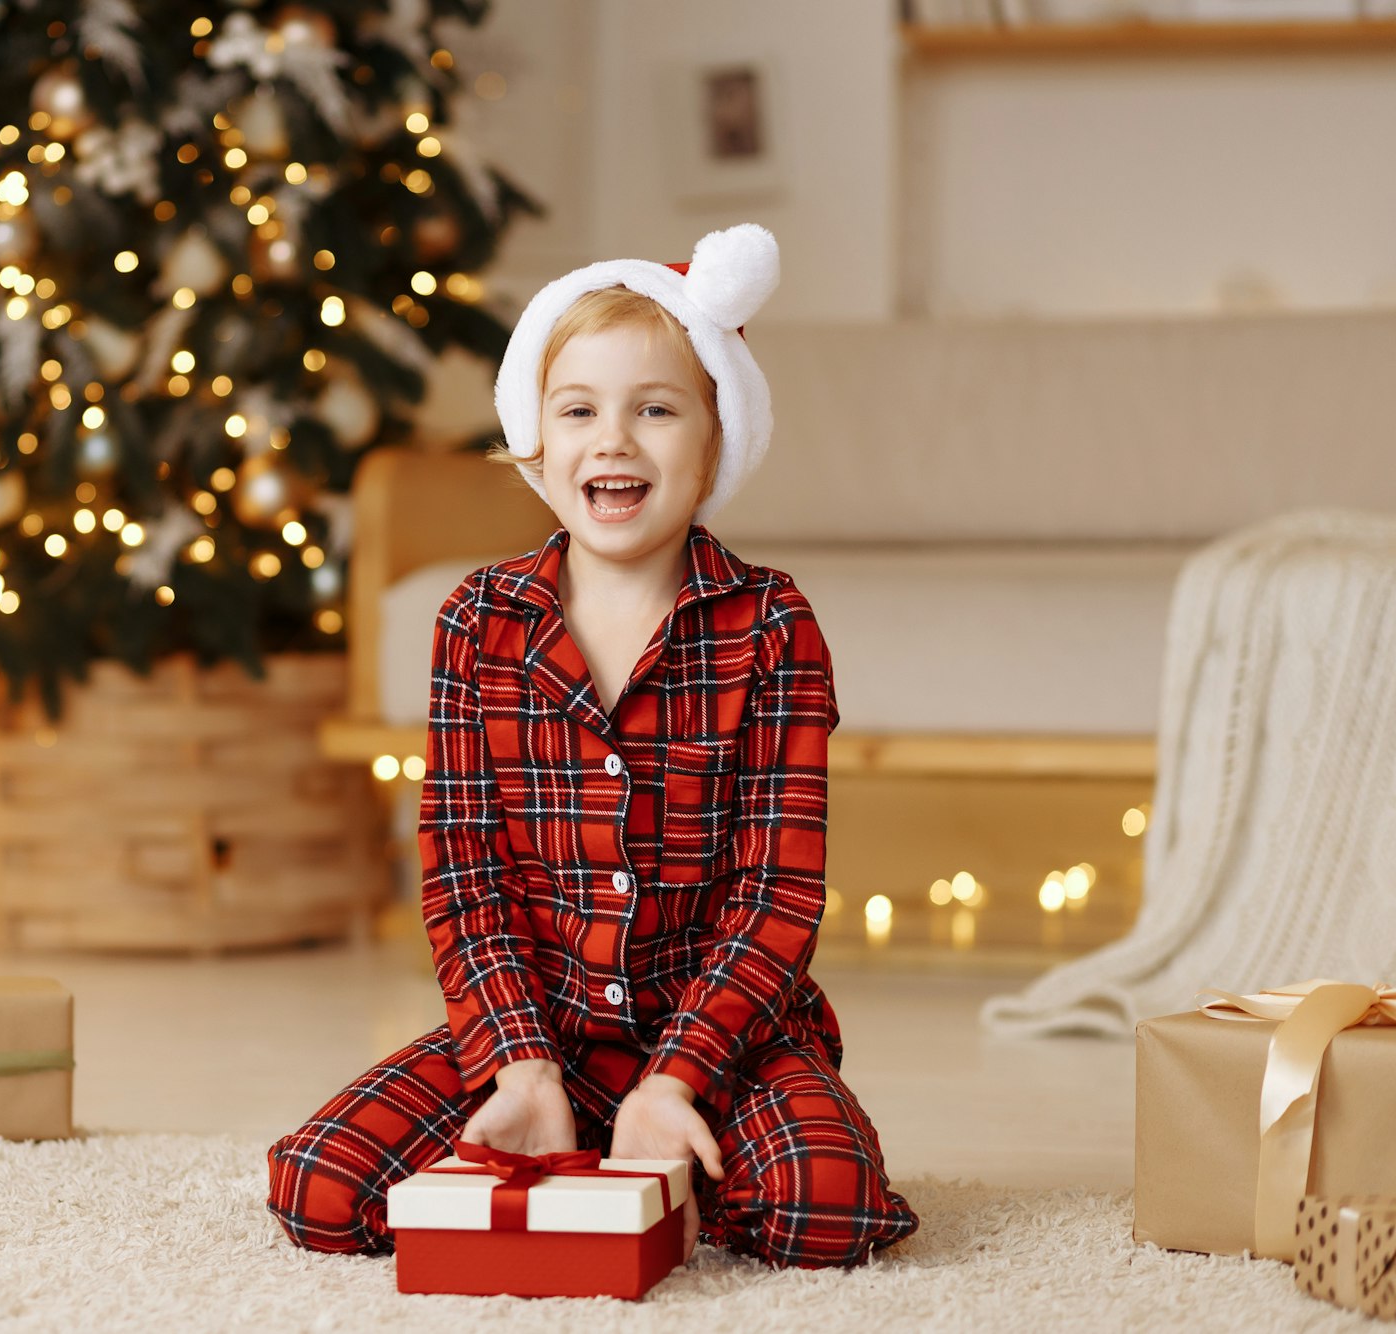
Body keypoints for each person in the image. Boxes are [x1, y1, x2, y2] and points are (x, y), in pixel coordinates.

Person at [266, 224, 919, 1269]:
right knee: (319, 1187)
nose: (611, 440)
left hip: (722, 1038)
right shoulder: (477, 621)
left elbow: (776, 894)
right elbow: (462, 874)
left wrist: (677, 1077)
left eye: (654, 410)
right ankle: (596, 1145)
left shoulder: (769, 625)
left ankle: (679, 1160)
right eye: (577, 411)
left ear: (714, 443)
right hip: (541, 1029)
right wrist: (518, 1066)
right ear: (536, 437)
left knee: (826, 1207)